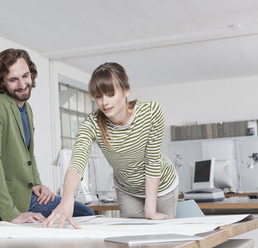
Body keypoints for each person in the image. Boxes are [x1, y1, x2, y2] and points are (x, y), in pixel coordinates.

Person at [43, 62, 179, 229]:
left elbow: (152, 161)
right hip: (127, 189)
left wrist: (150, 211)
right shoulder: (92, 124)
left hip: (161, 185)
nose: (104, 102)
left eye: (110, 94)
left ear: (126, 90)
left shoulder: (151, 111)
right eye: (98, 96)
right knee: (130, 235)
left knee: (164, 234)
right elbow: (77, 163)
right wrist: (67, 199)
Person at [0, 48, 94, 224]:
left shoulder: (25, 108)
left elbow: (28, 155)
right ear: (2, 81)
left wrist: (37, 183)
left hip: (27, 192)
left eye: (25, 76)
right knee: (85, 214)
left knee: (84, 213)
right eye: (13, 80)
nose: (22, 84)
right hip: (10, 201)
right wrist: (11, 214)